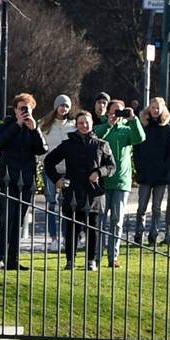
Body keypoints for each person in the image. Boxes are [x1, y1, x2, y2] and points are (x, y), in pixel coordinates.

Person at [44, 112, 115, 269]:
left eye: (87, 122)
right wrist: (57, 180)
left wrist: (99, 172)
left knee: (93, 229)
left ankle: (91, 261)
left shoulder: (101, 144)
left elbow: (111, 166)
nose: (84, 125)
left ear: (91, 124)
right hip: (73, 193)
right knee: (71, 229)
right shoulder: (68, 144)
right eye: (81, 123)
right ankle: (70, 261)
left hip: (94, 193)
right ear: (76, 125)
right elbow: (49, 161)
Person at [0, 94, 46, 271]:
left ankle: (13, 259)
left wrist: (34, 129)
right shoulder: (6, 126)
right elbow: (0, 142)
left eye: (27, 108)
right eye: (21, 108)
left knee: (19, 221)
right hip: (9, 179)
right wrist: (17, 125)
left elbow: (41, 149)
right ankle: (0, 258)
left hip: (26, 181)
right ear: (15, 110)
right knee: (6, 220)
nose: (24, 111)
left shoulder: (33, 129)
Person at [96, 100, 143, 266]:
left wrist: (133, 119)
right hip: (103, 181)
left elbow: (140, 138)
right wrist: (108, 124)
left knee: (117, 220)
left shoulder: (126, 130)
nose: (117, 114)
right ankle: (96, 256)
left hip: (121, 182)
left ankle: (112, 257)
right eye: (114, 111)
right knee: (99, 219)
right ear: (108, 112)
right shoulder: (101, 127)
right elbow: (96, 138)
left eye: (120, 112)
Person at [131, 98, 170, 245]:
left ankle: (153, 234)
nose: (155, 110)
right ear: (149, 109)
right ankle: (138, 233)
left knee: (157, 207)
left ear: (162, 109)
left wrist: (165, 168)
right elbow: (137, 149)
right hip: (145, 174)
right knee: (141, 207)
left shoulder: (169, 129)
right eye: (153, 107)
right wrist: (139, 168)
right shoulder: (143, 127)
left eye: (158, 108)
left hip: (161, 174)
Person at [38, 95, 79, 249]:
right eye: (61, 105)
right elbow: (40, 145)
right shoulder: (45, 125)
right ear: (56, 106)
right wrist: (45, 159)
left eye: (66, 106)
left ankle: (65, 237)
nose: (64, 108)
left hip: (68, 170)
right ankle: (54, 238)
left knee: (67, 205)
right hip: (51, 170)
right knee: (51, 203)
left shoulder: (73, 125)